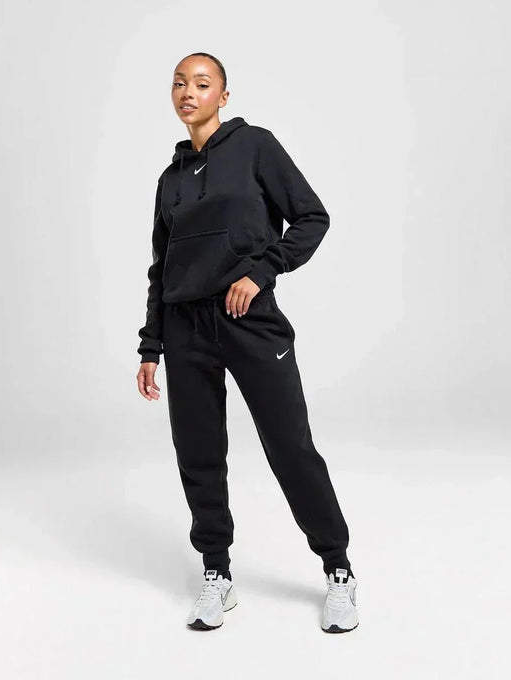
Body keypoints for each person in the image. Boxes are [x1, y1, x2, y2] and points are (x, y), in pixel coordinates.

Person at [136, 52, 359, 634]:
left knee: (290, 446)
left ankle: (337, 568)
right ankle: (217, 571)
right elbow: (162, 267)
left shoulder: (255, 146)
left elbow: (311, 218)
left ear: (223, 95)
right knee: (199, 454)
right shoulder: (170, 180)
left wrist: (260, 272)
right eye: (179, 83)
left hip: (248, 320)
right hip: (185, 328)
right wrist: (151, 346)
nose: (188, 92)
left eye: (201, 83)